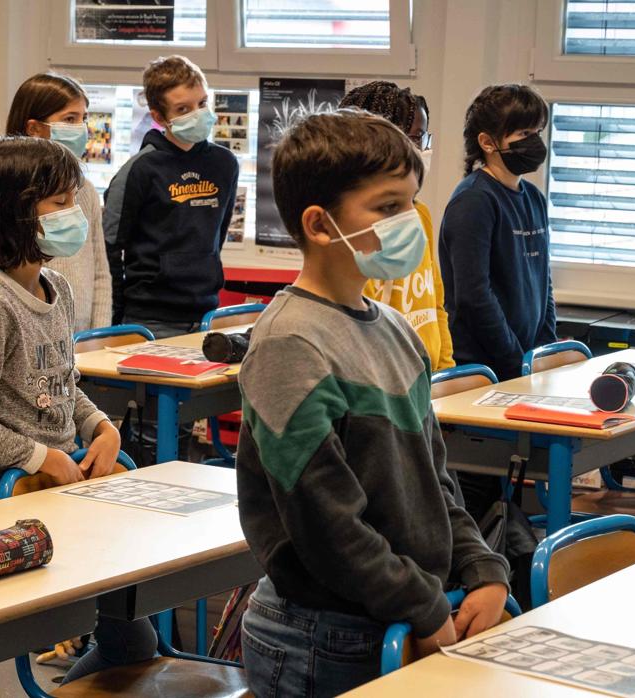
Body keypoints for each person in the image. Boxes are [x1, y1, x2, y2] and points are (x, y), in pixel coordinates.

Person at [237, 110, 510, 696]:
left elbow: (436, 483)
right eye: (387, 208)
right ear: (318, 224)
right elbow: (326, 525)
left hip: (400, 614)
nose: (408, 221)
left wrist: (484, 569)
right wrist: (423, 602)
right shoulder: (290, 344)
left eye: (409, 203)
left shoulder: (394, 329)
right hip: (319, 636)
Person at [0, 136, 154, 697]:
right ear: (14, 211)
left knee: (131, 640)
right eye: (58, 203)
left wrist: (100, 427)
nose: (73, 214)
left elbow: (61, 387)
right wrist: (42, 456)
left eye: (72, 199)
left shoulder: (56, 288)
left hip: (60, 498)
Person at [103, 55, 239, 338]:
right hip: (150, 320)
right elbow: (111, 249)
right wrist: (114, 323)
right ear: (159, 117)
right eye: (183, 109)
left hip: (206, 314)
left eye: (202, 103)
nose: (197, 114)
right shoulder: (139, 170)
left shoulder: (225, 164)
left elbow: (218, 235)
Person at [439, 84, 555, 381]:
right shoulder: (474, 200)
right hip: (484, 369)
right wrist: (514, 361)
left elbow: (544, 282)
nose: (535, 143)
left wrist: (545, 352)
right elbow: (473, 295)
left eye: (537, 133)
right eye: (523, 135)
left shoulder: (533, 197)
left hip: (525, 366)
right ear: (488, 143)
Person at [340, 81, 454, 370]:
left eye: (423, 138)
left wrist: (445, 368)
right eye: (413, 138)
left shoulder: (421, 214)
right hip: (386, 377)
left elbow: (435, 303)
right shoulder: (355, 227)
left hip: (426, 376)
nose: (421, 149)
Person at [5, 72, 112, 332]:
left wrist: (97, 333)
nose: (80, 128)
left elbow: (99, 271)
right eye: (69, 119)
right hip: (32, 328)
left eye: (83, 118)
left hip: (82, 331)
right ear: (33, 129)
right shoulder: (11, 189)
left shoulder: (85, 189)